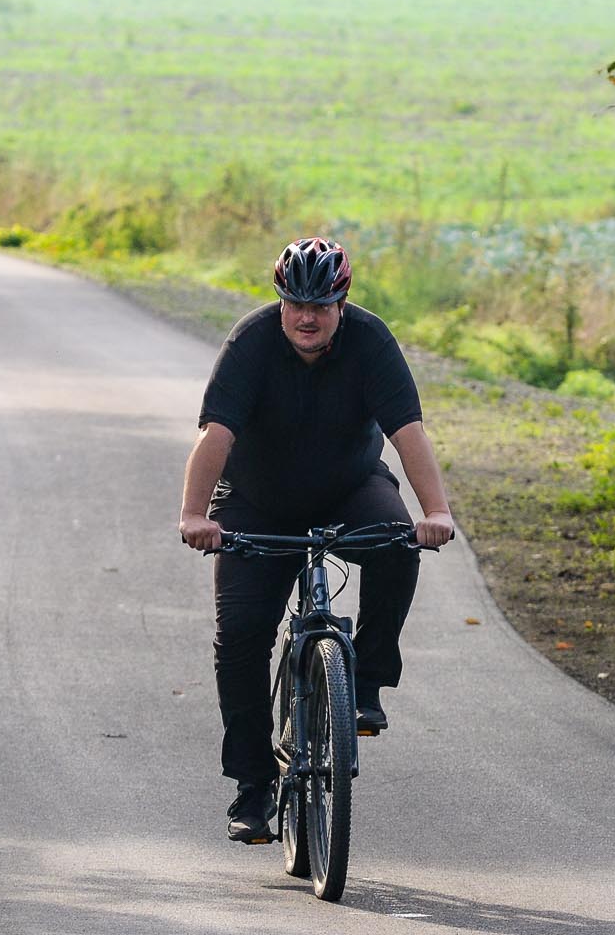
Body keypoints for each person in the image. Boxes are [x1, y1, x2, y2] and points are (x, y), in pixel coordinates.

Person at [178, 237, 456, 843]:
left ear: (341, 304)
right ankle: (254, 787)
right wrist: (195, 515)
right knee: (241, 637)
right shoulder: (251, 342)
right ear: (280, 302)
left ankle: (366, 683)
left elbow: (408, 431)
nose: (307, 318)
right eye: (296, 304)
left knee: (397, 544)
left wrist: (435, 511)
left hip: (348, 487)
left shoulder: (371, 341)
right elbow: (216, 433)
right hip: (255, 498)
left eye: (321, 306)